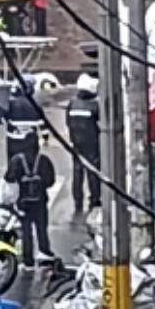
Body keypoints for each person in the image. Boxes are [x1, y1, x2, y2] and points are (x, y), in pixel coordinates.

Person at [4, 129, 56, 269]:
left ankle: (28, 259)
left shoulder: (17, 160)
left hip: (23, 202)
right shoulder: (44, 161)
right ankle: (45, 252)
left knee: (26, 231)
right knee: (41, 229)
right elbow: (51, 181)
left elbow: (8, 177)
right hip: (40, 201)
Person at [65, 73, 101, 213]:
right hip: (92, 143)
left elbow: (68, 123)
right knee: (93, 172)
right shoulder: (94, 105)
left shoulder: (72, 103)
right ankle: (95, 198)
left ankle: (77, 198)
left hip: (76, 142)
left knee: (77, 171)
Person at [4, 75, 45, 164]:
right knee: (31, 165)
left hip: (13, 139)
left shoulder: (10, 103)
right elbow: (42, 124)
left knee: (13, 164)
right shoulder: (35, 104)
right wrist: (45, 138)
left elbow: (5, 117)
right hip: (30, 141)